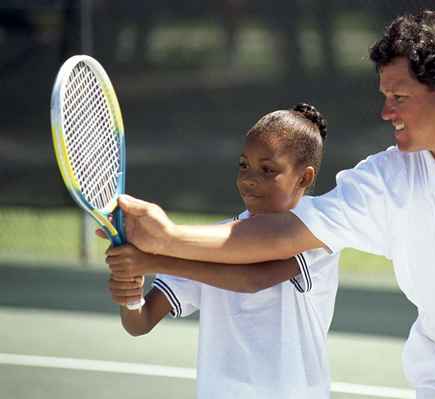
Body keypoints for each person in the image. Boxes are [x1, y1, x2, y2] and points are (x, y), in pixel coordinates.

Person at [111, 10, 435, 398]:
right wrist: (167, 236)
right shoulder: (385, 179)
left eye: (399, 97)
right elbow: (282, 233)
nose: (385, 111)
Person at [105, 103, 340, 399]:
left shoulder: (317, 233)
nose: (249, 178)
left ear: (304, 178)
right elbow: (141, 321)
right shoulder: (212, 240)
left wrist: (151, 259)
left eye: (268, 169)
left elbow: (251, 279)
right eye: (244, 165)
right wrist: (132, 287)